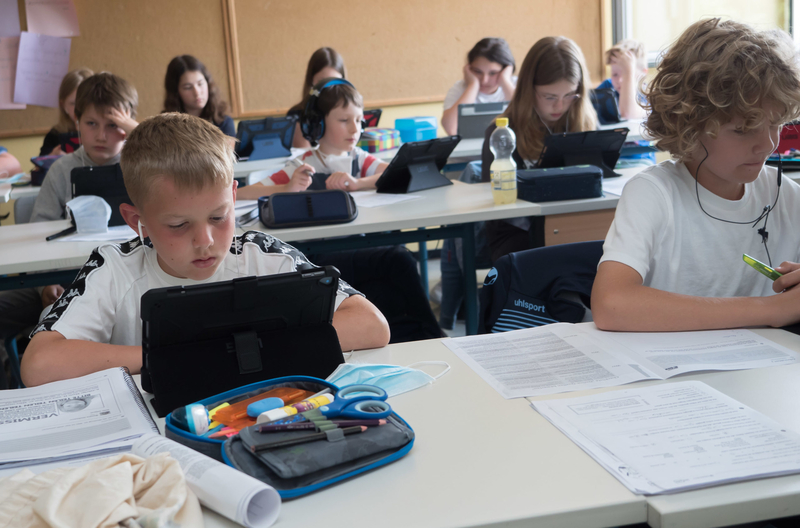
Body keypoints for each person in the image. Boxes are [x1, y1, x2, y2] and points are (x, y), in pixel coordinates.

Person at [20, 113, 390, 387]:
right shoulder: (115, 268)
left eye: (218, 216)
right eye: (178, 225)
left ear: (233, 197)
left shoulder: (260, 254)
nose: (206, 240)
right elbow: (40, 364)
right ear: (137, 222)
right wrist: (176, 358)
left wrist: (238, 351)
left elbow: (371, 325)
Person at [591, 18, 800, 332]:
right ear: (688, 125)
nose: (768, 143)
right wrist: (770, 309)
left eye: (776, 124)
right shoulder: (653, 194)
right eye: (743, 130)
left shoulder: (786, 197)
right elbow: (612, 305)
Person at [480, 36, 597, 263]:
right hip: (520, 233)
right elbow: (498, 211)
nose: (560, 106)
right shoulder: (501, 132)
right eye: (549, 96)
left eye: (569, 95)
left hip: (578, 224)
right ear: (528, 89)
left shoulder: (586, 123)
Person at [237, 78, 387, 199]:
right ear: (317, 125)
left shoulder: (359, 158)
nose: (355, 129)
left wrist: (358, 183)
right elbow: (241, 193)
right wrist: (287, 188)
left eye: (359, 120)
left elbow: (395, 173)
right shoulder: (303, 165)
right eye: (344, 120)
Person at [30, 72, 139, 222]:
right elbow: (39, 226)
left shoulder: (142, 165)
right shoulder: (60, 170)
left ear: (127, 126)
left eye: (113, 125)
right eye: (91, 123)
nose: (101, 136)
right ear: (77, 121)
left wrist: (139, 133)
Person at [442, 38, 517, 136]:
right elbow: (451, 129)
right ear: (468, 69)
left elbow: (530, 120)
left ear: (506, 69)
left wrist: (505, 81)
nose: (484, 80)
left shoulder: (515, 85)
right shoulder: (460, 88)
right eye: (478, 71)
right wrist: (473, 86)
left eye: (492, 73)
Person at [288, 47, 347, 149]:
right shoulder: (297, 115)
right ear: (311, 80)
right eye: (322, 81)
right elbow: (304, 156)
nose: (329, 88)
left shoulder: (350, 113)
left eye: (334, 81)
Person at [163, 55, 235, 137]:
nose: (197, 93)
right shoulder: (165, 125)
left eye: (200, 84)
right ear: (175, 91)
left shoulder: (223, 121)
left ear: (208, 83)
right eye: (188, 87)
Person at [39, 68, 94, 156]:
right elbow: (39, 167)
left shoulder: (104, 132)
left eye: (87, 102)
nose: (80, 108)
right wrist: (52, 157)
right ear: (63, 105)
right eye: (73, 103)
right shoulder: (55, 134)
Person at [596, 39, 648, 121]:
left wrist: (628, 71)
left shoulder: (649, 95)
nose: (620, 80)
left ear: (643, 74)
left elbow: (628, 114)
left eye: (627, 74)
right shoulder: (607, 87)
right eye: (615, 74)